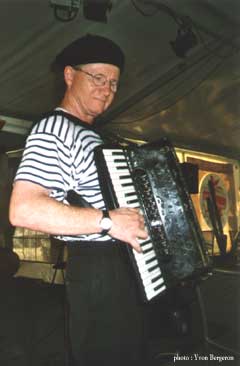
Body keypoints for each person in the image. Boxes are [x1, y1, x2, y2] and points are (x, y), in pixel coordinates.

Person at [9, 34, 148, 366]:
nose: (107, 89)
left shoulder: (97, 135)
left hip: (123, 268)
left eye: (114, 83)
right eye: (98, 78)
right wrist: (108, 221)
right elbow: (23, 209)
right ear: (70, 75)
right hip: (98, 269)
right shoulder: (54, 128)